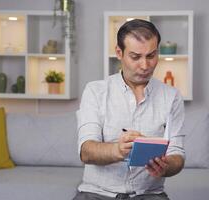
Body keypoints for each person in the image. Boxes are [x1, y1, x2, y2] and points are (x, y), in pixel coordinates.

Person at [73, 19, 185, 200]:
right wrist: (118, 150)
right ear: (119, 52)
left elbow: (177, 155)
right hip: (96, 193)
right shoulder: (95, 91)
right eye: (135, 57)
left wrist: (166, 166)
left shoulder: (171, 97)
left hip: (149, 194)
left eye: (151, 56)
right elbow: (86, 151)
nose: (145, 65)